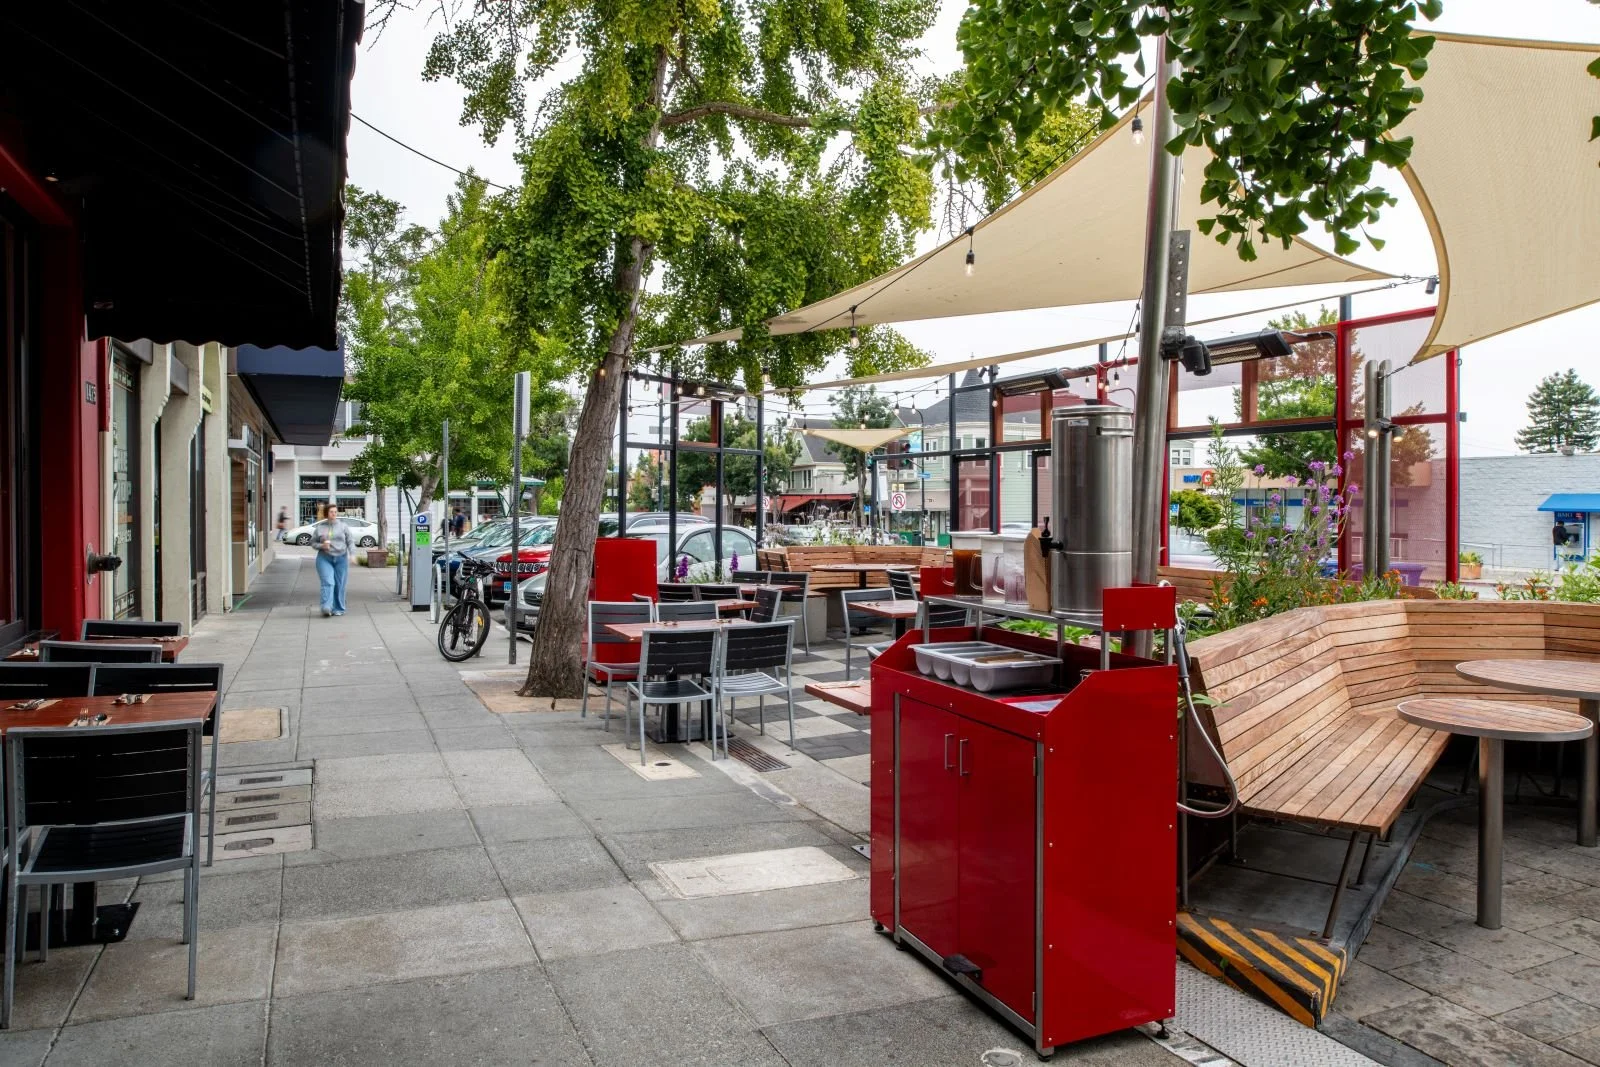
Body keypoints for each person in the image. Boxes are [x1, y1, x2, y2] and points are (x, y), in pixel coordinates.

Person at [313, 504, 356, 617]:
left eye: (335, 512)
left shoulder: (343, 526)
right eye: (331, 512)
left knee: (339, 584)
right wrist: (322, 545)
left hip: (341, 558)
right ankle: (326, 607)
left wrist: (352, 555)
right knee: (328, 582)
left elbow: (350, 541)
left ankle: (339, 608)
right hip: (324, 558)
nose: (334, 514)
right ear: (327, 513)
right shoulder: (320, 527)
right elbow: (312, 543)